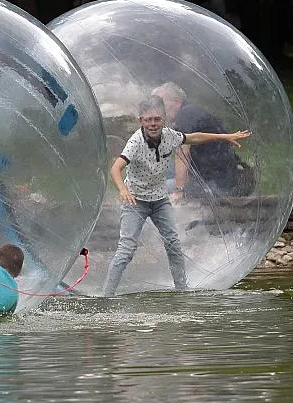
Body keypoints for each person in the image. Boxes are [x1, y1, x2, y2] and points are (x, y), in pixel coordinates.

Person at [101, 95, 250, 296]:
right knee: (126, 249)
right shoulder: (135, 142)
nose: (152, 124)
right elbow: (116, 168)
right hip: (136, 201)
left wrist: (224, 137)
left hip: (160, 200)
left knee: (173, 244)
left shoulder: (170, 135)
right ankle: (107, 295)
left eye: (157, 119)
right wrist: (123, 190)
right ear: (140, 121)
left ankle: (182, 291)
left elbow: (194, 137)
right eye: (148, 120)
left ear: (163, 119)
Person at [152, 82, 255, 201]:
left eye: (160, 103)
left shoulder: (186, 114)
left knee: (151, 188)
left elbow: (182, 154)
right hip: (217, 174)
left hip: (215, 184)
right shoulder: (191, 113)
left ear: (177, 101)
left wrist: (179, 191)